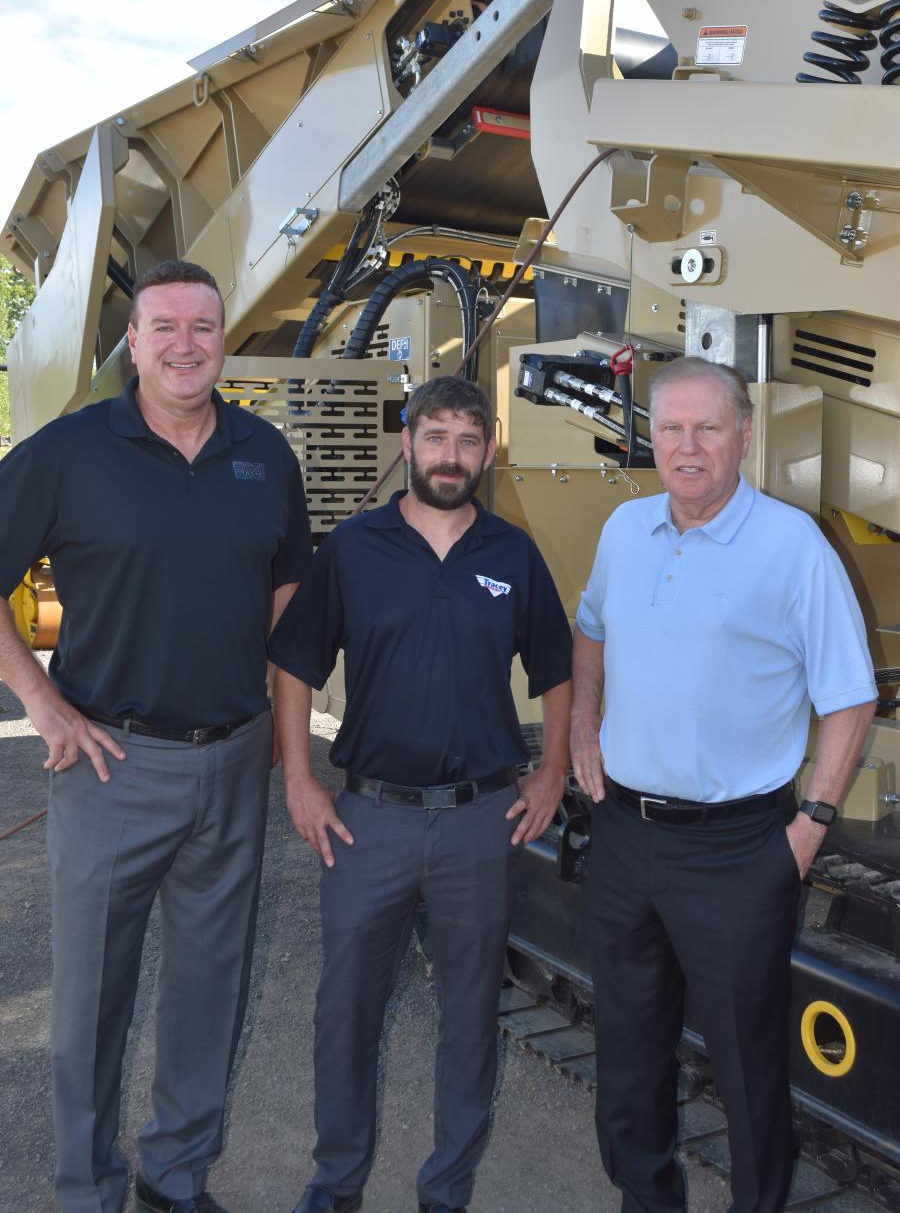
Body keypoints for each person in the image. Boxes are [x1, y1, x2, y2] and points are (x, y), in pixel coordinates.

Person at [0, 259, 313, 1213]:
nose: (186, 344)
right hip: (111, 765)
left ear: (225, 340)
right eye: (164, 326)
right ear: (132, 341)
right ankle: (88, 1192)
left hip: (232, 762)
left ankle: (173, 1179)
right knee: (92, 1005)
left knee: (209, 993)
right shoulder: (66, 452)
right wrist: (40, 705)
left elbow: (288, 582)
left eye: (204, 327)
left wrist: (266, 689)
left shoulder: (266, 454)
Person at [571, 355, 876, 1213]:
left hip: (741, 849)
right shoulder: (625, 531)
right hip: (626, 835)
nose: (688, 446)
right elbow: (589, 630)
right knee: (628, 1054)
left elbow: (849, 696)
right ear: (652, 438)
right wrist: (582, 725)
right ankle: (648, 1199)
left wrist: (809, 826)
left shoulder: (790, 546)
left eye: (709, 427)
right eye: (671, 428)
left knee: (747, 1066)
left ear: (745, 436)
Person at [269, 375, 572, 1213]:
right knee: (345, 1016)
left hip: (481, 821)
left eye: (468, 440)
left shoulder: (511, 554)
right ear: (408, 443)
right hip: (370, 821)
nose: (450, 455)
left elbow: (558, 665)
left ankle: (447, 1189)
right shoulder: (354, 549)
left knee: (471, 1016)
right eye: (435, 436)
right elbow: (294, 664)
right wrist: (300, 778)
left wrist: (551, 774)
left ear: (487, 451)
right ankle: (335, 1185)